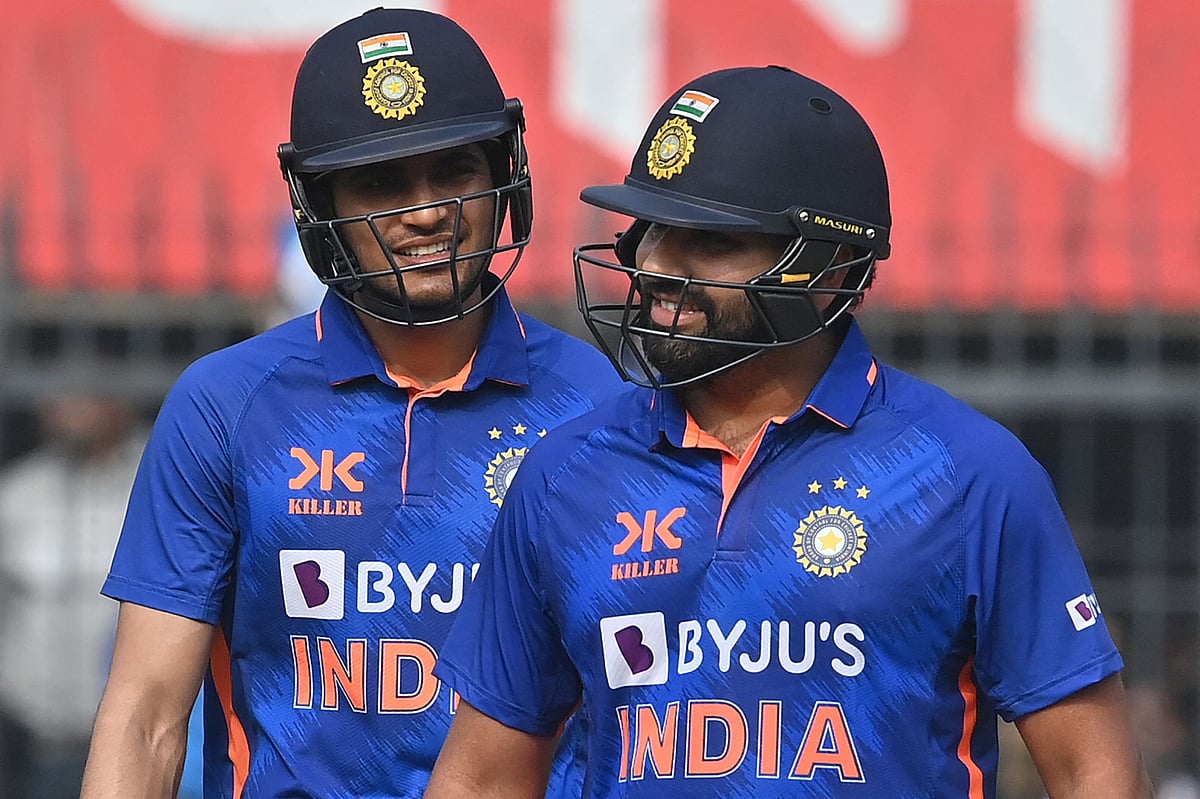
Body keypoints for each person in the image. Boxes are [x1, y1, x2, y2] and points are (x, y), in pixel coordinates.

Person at [425, 65, 1154, 797]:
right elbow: (481, 780)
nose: (651, 265)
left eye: (706, 239)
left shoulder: (969, 477)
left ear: (831, 268)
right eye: (648, 229)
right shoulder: (564, 476)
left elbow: (1097, 774)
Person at [80, 8, 623, 798]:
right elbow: (147, 715)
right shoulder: (226, 406)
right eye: (380, 181)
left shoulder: (599, 405)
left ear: (504, 169)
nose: (427, 211)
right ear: (319, 204)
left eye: (455, 169)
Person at [0, 390, 147, 798]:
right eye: (57, 390)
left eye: (86, 390)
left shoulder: (157, 481)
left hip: (140, 739)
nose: (69, 405)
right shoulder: (16, 494)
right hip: (31, 738)